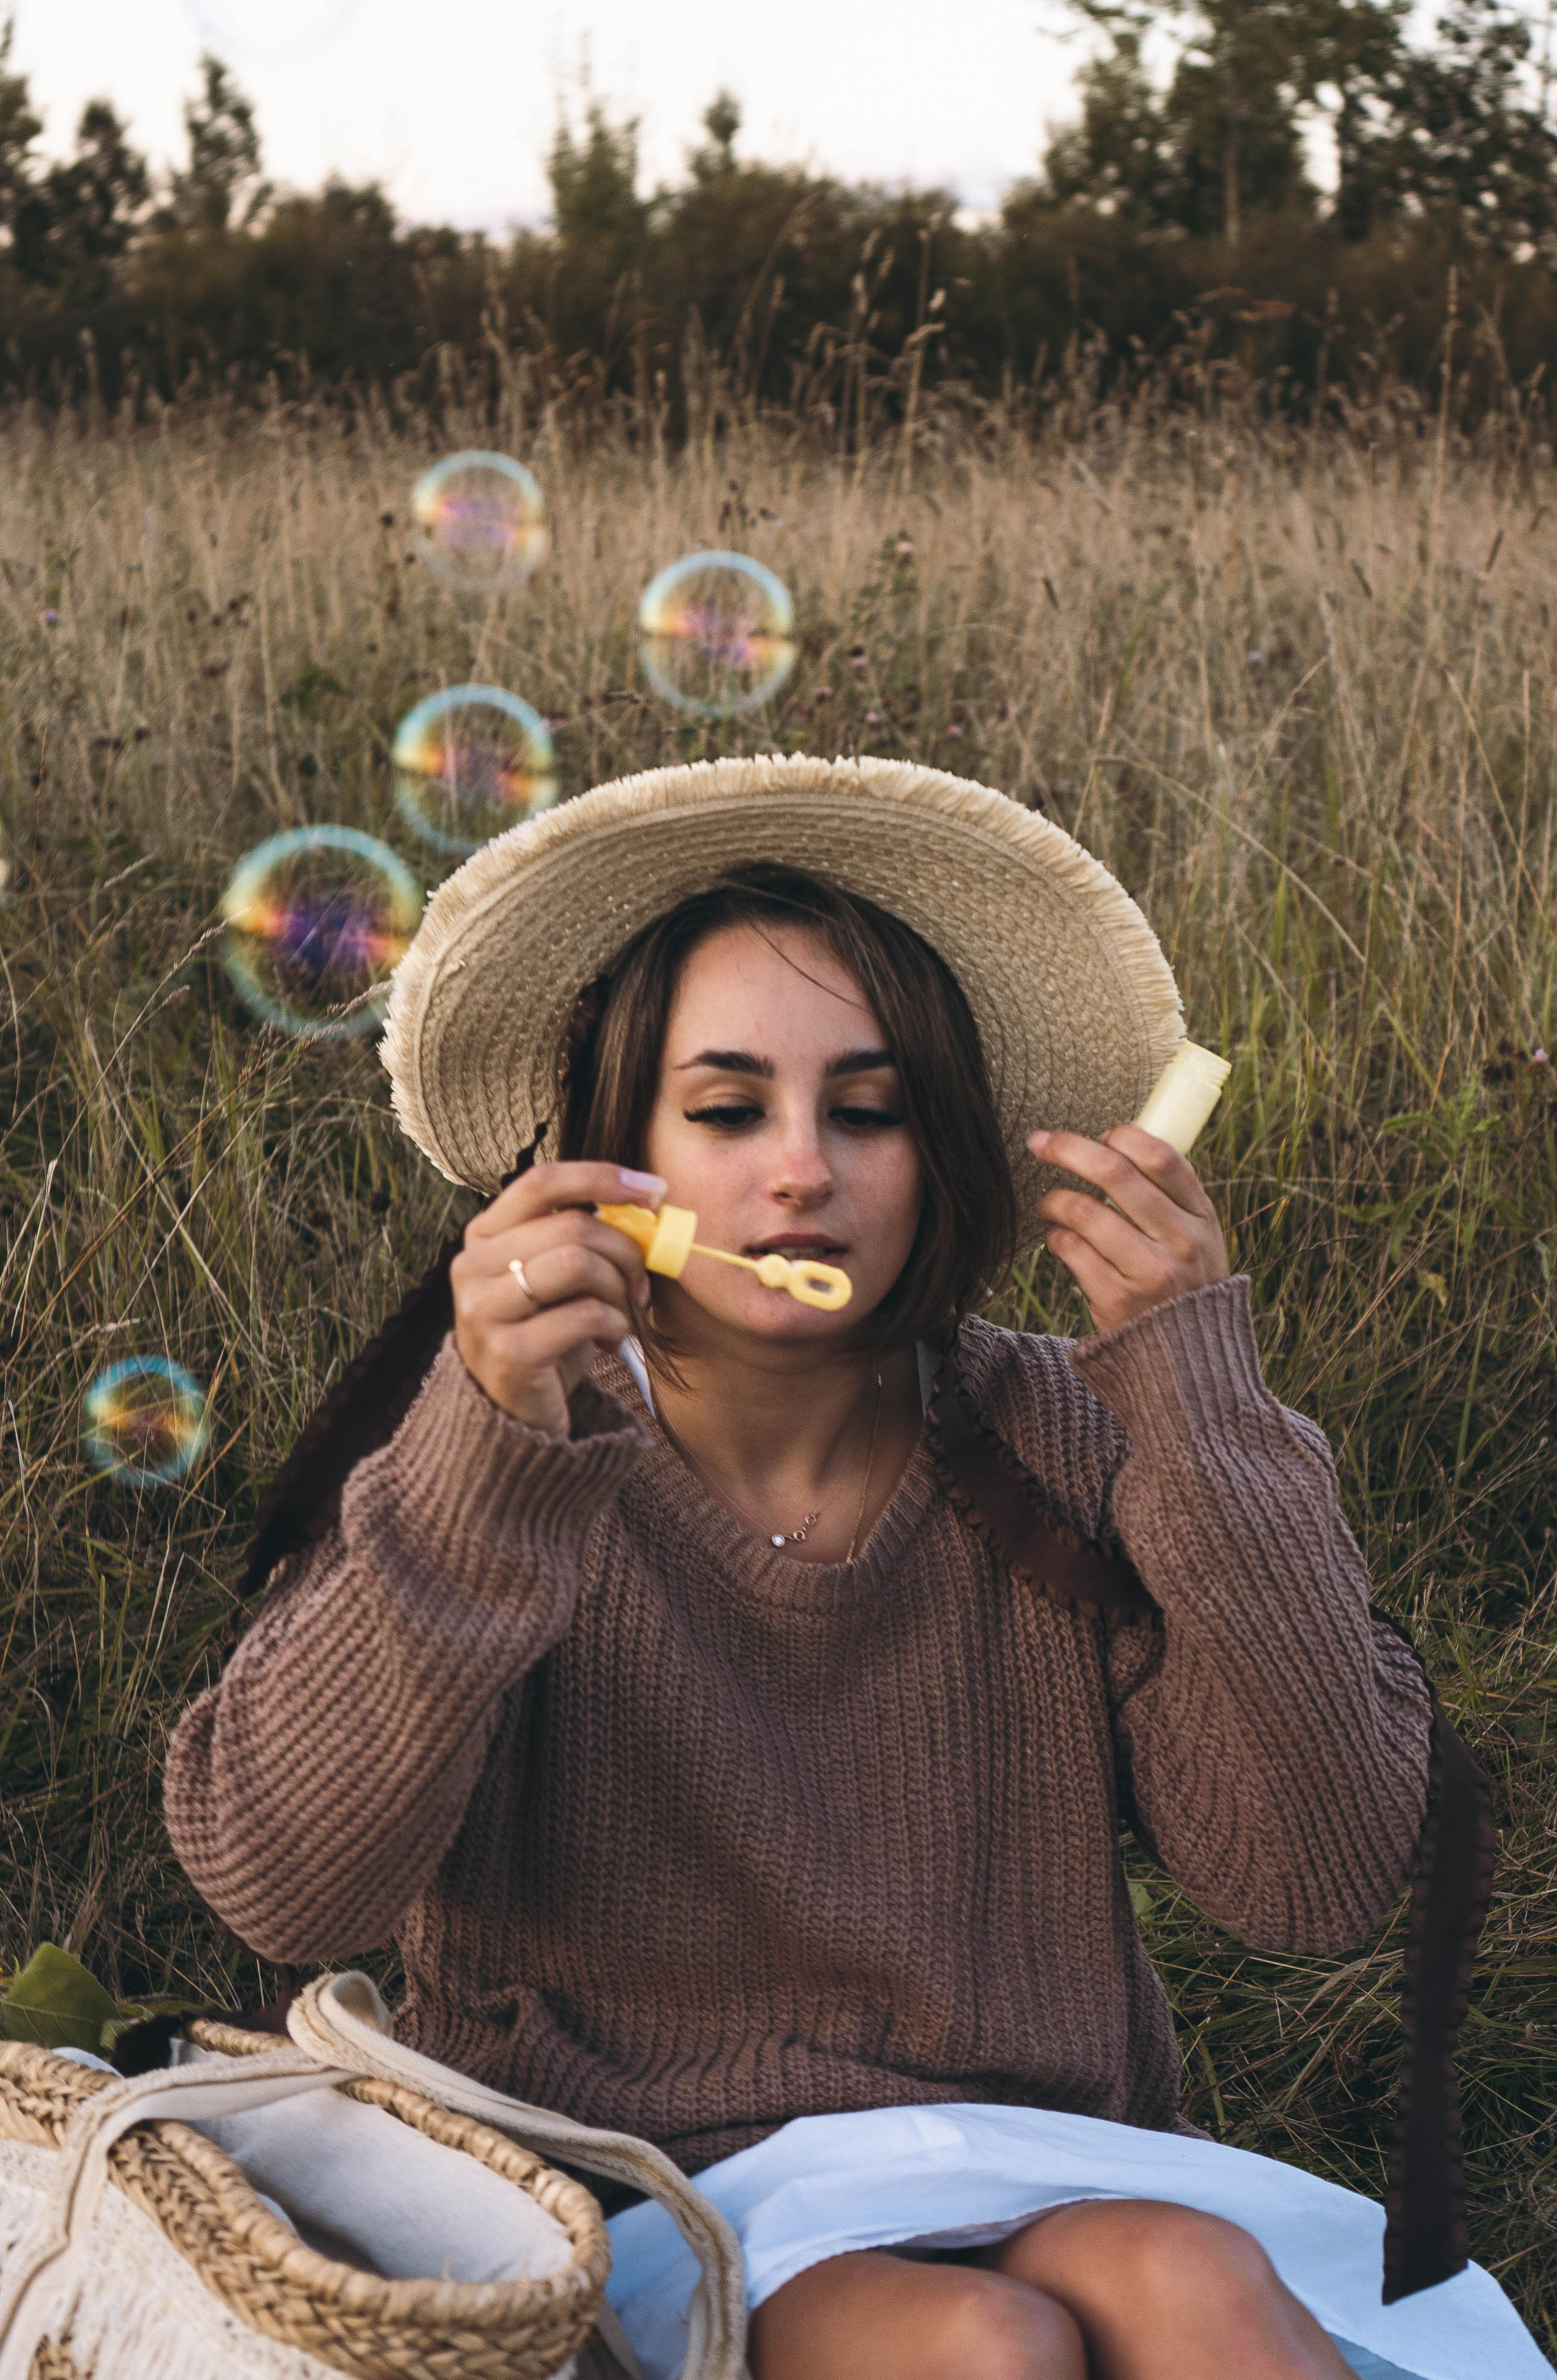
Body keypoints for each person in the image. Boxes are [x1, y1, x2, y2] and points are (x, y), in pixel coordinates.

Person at [164, 756, 1542, 2380]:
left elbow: (1310, 1882)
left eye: (866, 1112)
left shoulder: (1064, 1433)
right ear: (613, 1155)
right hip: (636, 2187)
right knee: (985, 2348)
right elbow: (281, 1882)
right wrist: (486, 1451)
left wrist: (1201, 1410)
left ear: (938, 1152)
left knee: (1197, 2284)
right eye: (730, 1111)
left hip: (1040, 2154)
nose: (804, 1170)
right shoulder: (504, 1451)